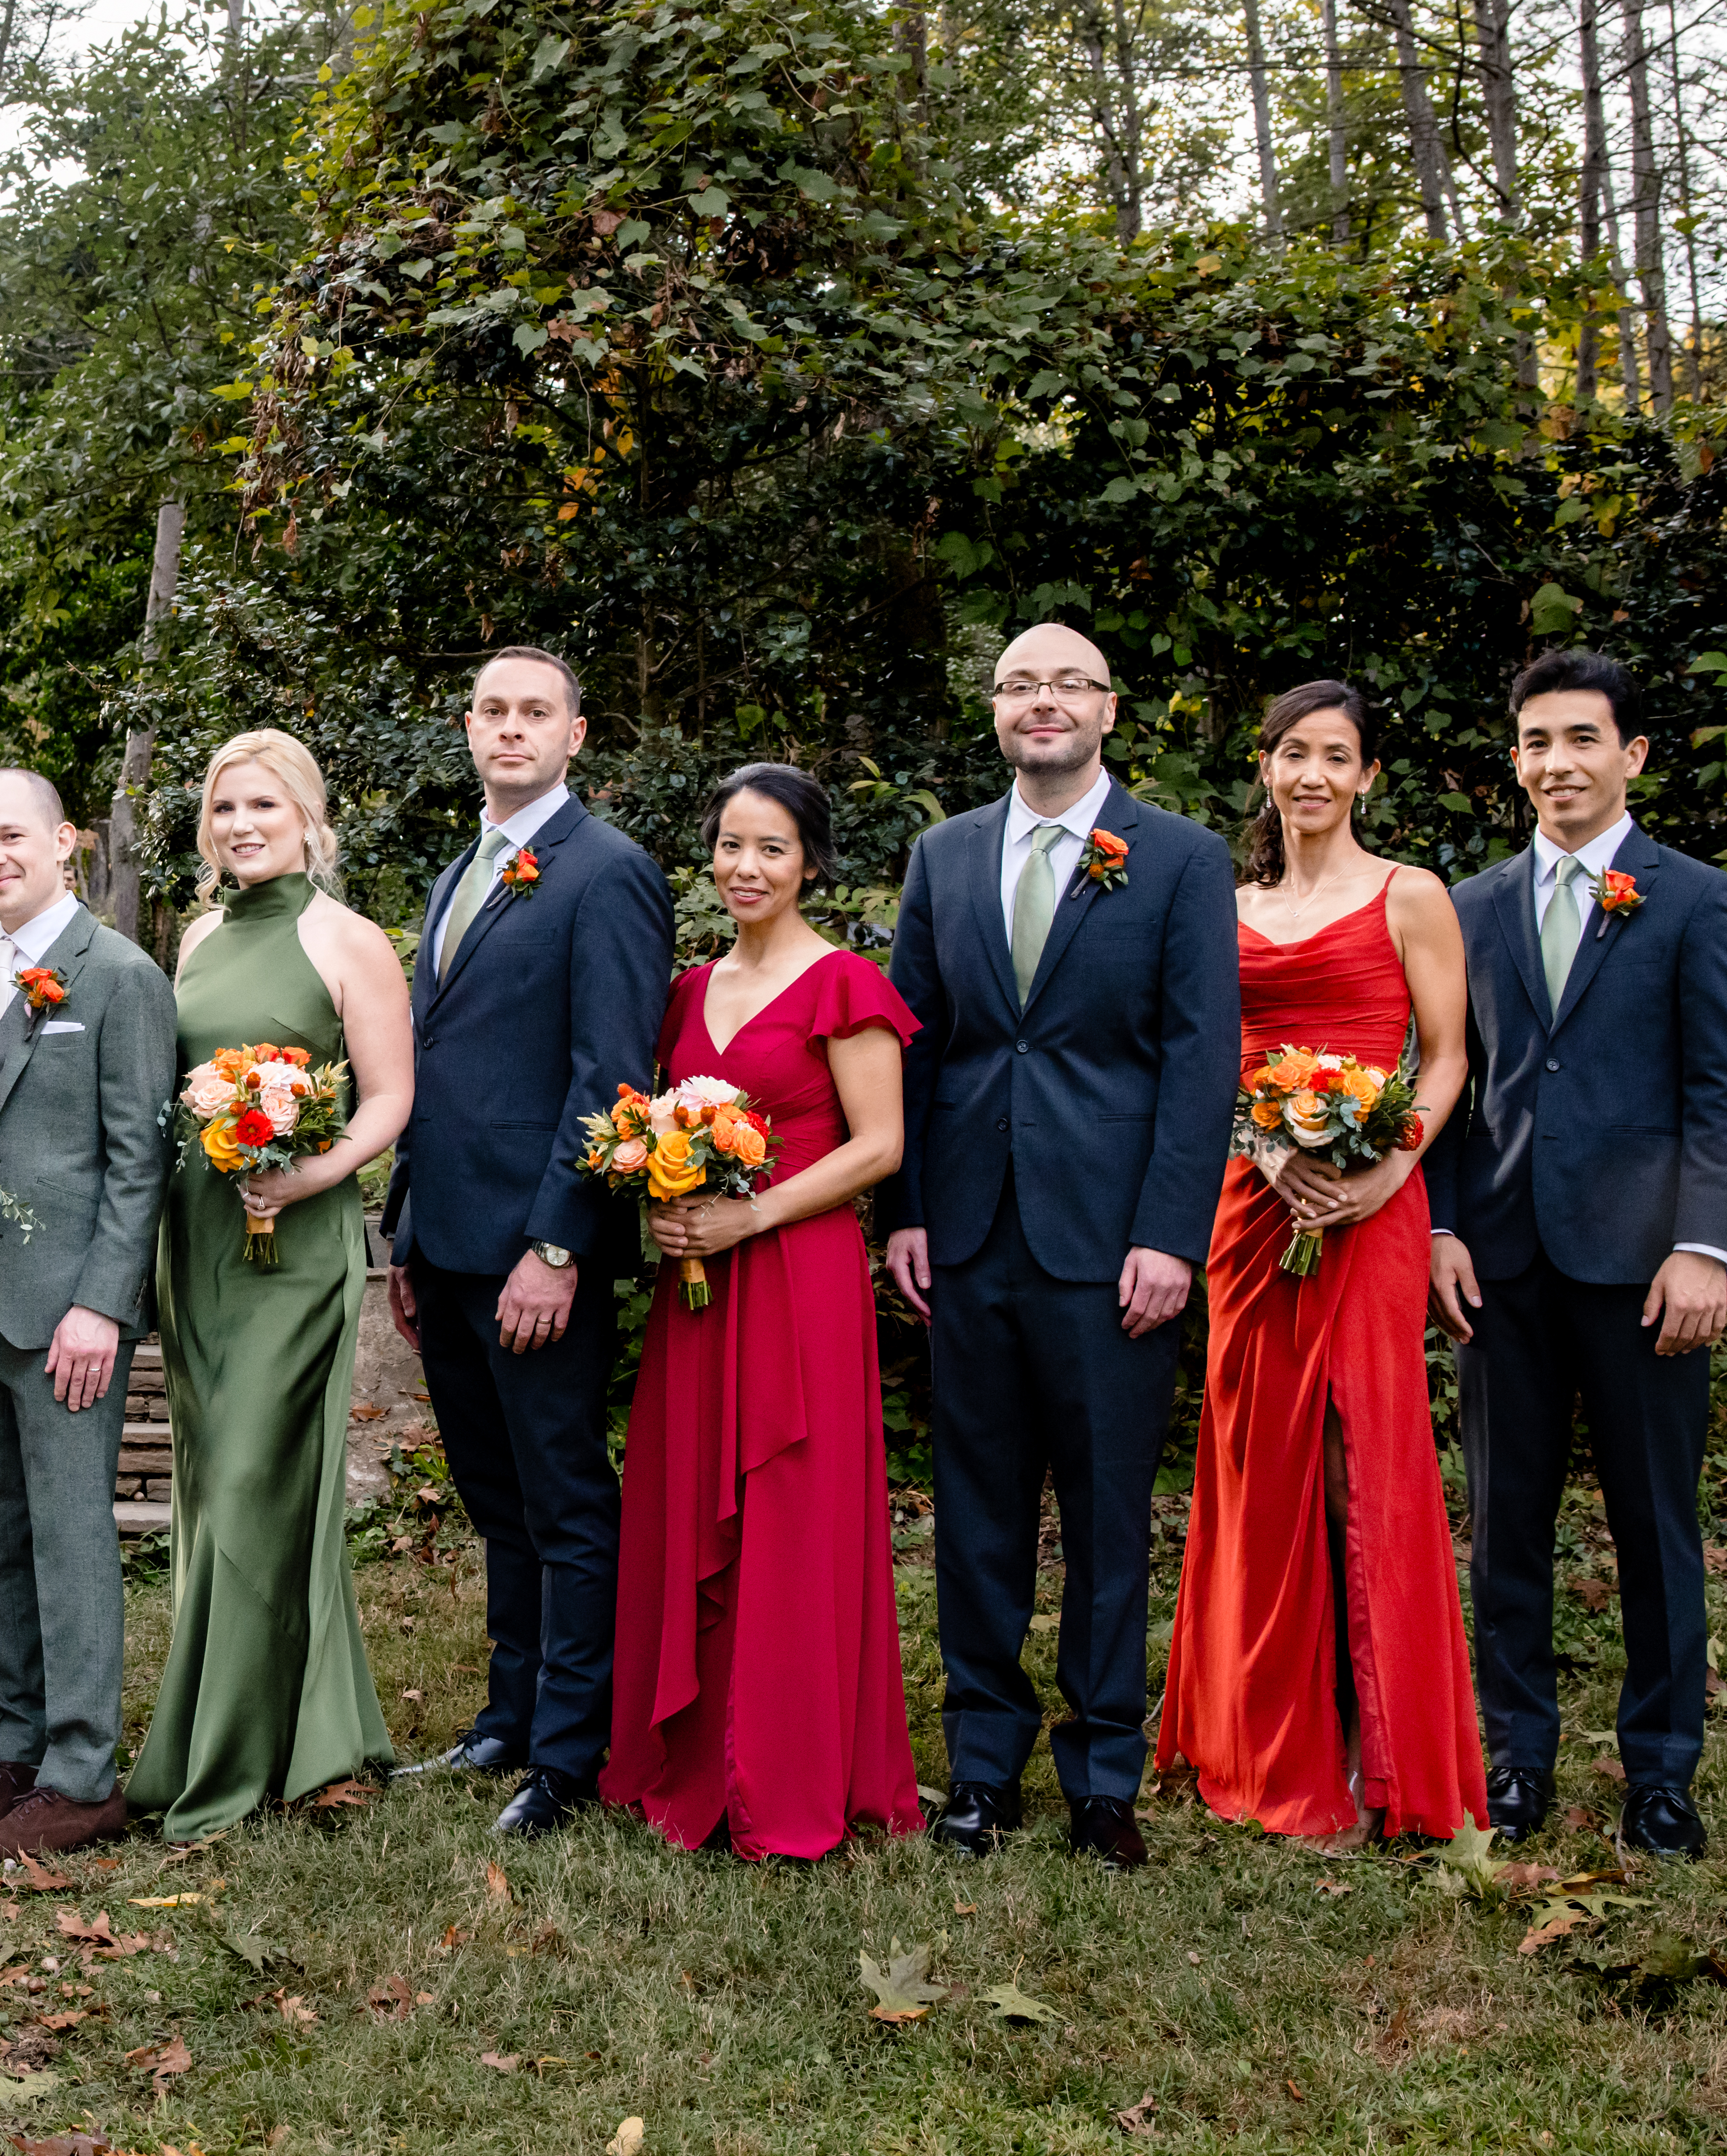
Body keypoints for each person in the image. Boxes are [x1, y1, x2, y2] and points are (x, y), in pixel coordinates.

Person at [878, 624, 1238, 1871]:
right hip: (969, 1232)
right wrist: (909, 1208)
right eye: (1019, 684)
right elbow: (915, 1044)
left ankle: (1100, 1775)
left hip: (1111, 1244)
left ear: (1109, 708)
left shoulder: (1183, 860)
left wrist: (1169, 1235)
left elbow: (1203, 1059)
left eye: (1067, 683)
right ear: (995, 712)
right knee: (976, 1512)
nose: (1043, 701)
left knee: (1103, 1517)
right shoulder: (944, 852)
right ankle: (980, 1768)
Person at [1426, 651, 1727, 1858]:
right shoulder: (1465, 906)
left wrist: (1702, 1247)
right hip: (1500, 1269)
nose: (1554, 762)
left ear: (1631, 755)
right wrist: (1443, 1224)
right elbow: (1450, 1092)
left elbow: (1725, 1093)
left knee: (1654, 1526)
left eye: (1580, 738)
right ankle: (1514, 1756)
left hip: (1642, 1272)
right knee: (1503, 1523)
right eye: (1533, 741)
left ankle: (1661, 1770)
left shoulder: (1694, 899)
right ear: (1512, 761)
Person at [1155, 683, 1486, 1844]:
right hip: (1250, 1207)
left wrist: (1389, 1170)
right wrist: (1258, 1144)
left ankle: (1372, 1745)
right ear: (1264, 766)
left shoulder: (1412, 896)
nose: (1310, 774)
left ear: (1365, 776)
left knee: (1361, 1453)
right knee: (1260, 1455)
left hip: (1372, 1198)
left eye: (1334, 757)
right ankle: (1260, 1731)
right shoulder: (1223, 904)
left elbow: (1444, 1057)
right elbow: (1200, 1059)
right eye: (1292, 751)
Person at [600, 765, 923, 1860]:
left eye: (772, 848)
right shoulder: (685, 992)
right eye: (731, 845)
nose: (746, 867)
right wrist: (669, 1197)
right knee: (694, 1498)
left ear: (812, 861)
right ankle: (692, 1756)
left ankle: (786, 1769)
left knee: (789, 1508)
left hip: (800, 1277)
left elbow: (879, 1146)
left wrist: (756, 1217)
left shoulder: (844, 983)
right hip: (699, 1285)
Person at [383, 648, 673, 1839]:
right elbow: (435, 1060)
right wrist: (402, 1232)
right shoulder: (465, 869)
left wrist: (556, 1244)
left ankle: (567, 1752)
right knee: (494, 1494)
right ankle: (506, 1716)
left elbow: (609, 1073)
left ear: (575, 734)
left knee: (560, 1498)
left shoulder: (607, 873)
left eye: (534, 712)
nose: (511, 730)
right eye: (493, 711)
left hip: (532, 1252)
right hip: (443, 1239)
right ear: (468, 728)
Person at [129, 732, 416, 1842]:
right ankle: (310, 1729)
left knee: (257, 1477)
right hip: (200, 1239)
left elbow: (389, 1095)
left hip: (294, 1246)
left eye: (263, 804)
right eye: (223, 807)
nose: (241, 824)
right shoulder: (197, 935)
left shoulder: (348, 940)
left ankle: (232, 1755)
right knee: (215, 1488)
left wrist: (314, 1172)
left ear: (306, 814)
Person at [0, 770, 176, 1863]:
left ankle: (81, 1773)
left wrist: (101, 1305)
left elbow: (140, 1159)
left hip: (67, 1310)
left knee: (71, 1532)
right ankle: (17, 1750)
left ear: (65, 839)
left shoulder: (118, 974)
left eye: (10, 835)